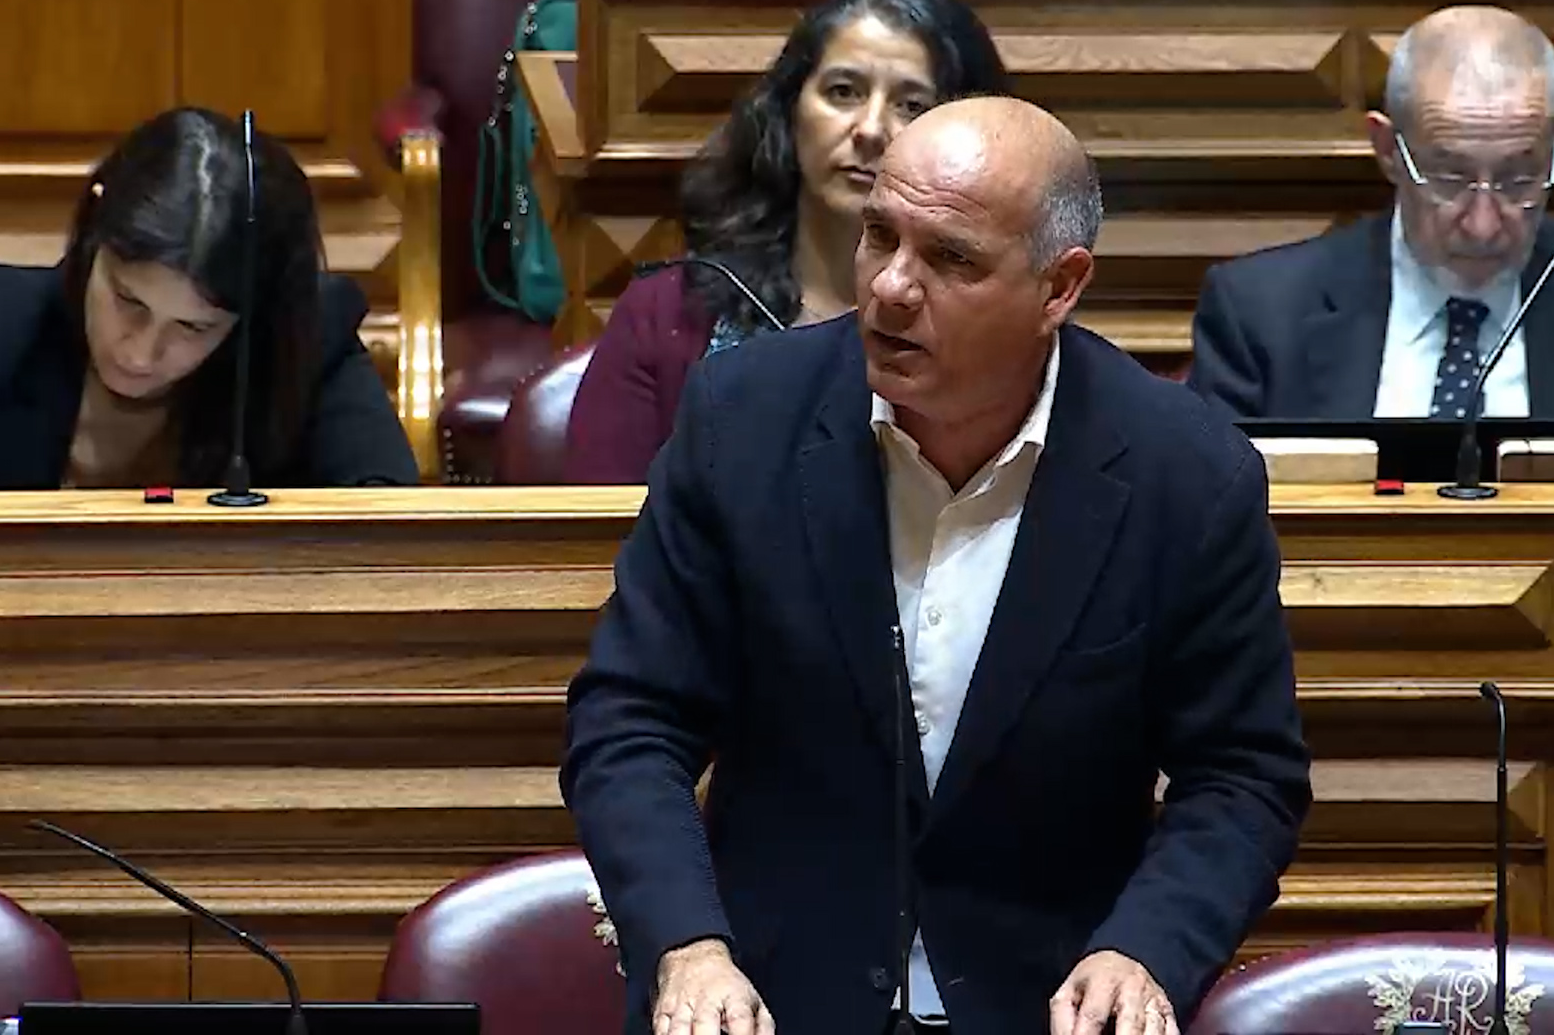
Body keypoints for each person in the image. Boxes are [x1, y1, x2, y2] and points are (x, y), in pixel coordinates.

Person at [560, 96, 1311, 1035]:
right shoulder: (741, 419)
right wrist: (687, 945)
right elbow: (630, 719)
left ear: (1060, 286)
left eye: (951, 259)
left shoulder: (1186, 475)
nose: (891, 287)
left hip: (1044, 1008)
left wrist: (1143, 951)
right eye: (880, 234)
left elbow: (1242, 777)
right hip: (765, 1001)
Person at [1188, 5, 1554, 479]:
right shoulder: (1261, 312)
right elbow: (1205, 512)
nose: (1484, 224)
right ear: (1388, 149)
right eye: (1448, 178)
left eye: (1519, 178)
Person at [0, 106, 418, 490]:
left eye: (194, 328)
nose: (142, 353)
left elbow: (390, 531)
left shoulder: (307, 348)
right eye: (127, 301)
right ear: (92, 242)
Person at [560, 0, 1011, 484]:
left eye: (912, 105)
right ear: (790, 110)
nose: (869, 130)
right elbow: (604, 524)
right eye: (843, 91)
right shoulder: (669, 315)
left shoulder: (1001, 331)